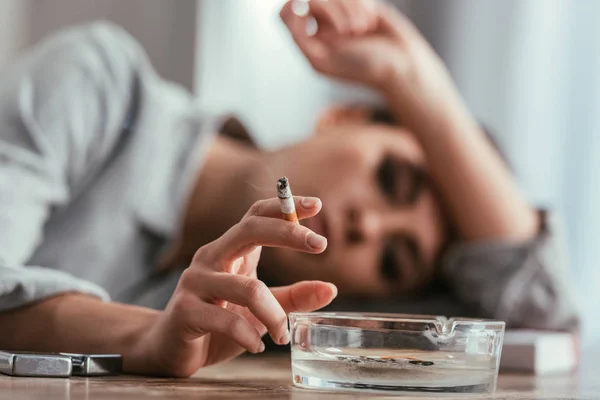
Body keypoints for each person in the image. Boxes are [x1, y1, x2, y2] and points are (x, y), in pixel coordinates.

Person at [0, 0, 578, 377]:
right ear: (343, 117)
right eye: (391, 179)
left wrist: (417, 81)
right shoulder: (99, 85)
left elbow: (546, 323)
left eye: (394, 259)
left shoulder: (257, 326)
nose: (368, 227)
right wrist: (147, 336)